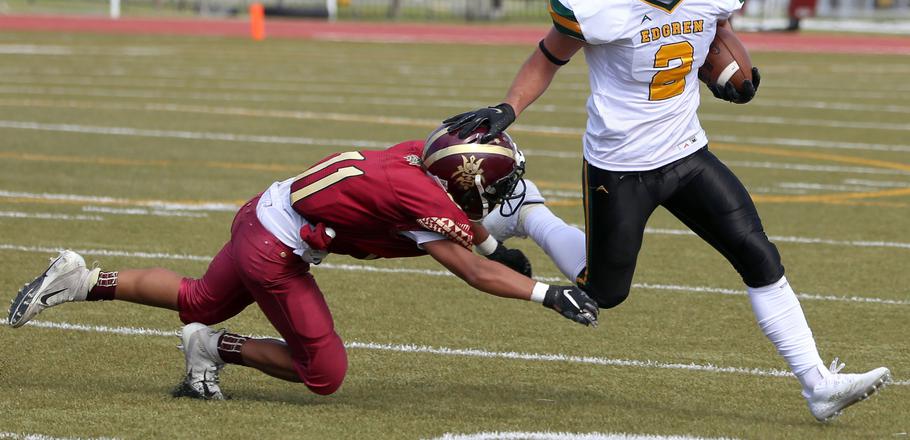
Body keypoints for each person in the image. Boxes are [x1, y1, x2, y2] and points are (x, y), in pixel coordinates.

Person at [444, 0, 890, 422]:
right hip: (621, 165)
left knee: (757, 253)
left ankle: (818, 384)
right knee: (604, 291)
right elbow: (548, 56)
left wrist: (733, 71)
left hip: (686, 151)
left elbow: (716, 28)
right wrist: (508, 108)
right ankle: (529, 214)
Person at [7, 126, 598, 400]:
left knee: (197, 299)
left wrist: (496, 246)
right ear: (462, 183)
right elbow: (467, 268)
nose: (496, 199)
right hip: (276, 251)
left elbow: (461, 222)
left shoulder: (416, 158)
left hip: (261, 212)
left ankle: (81, 279)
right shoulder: (424, 199)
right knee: (325, 374)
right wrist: (546, 292)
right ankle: (214, 349)